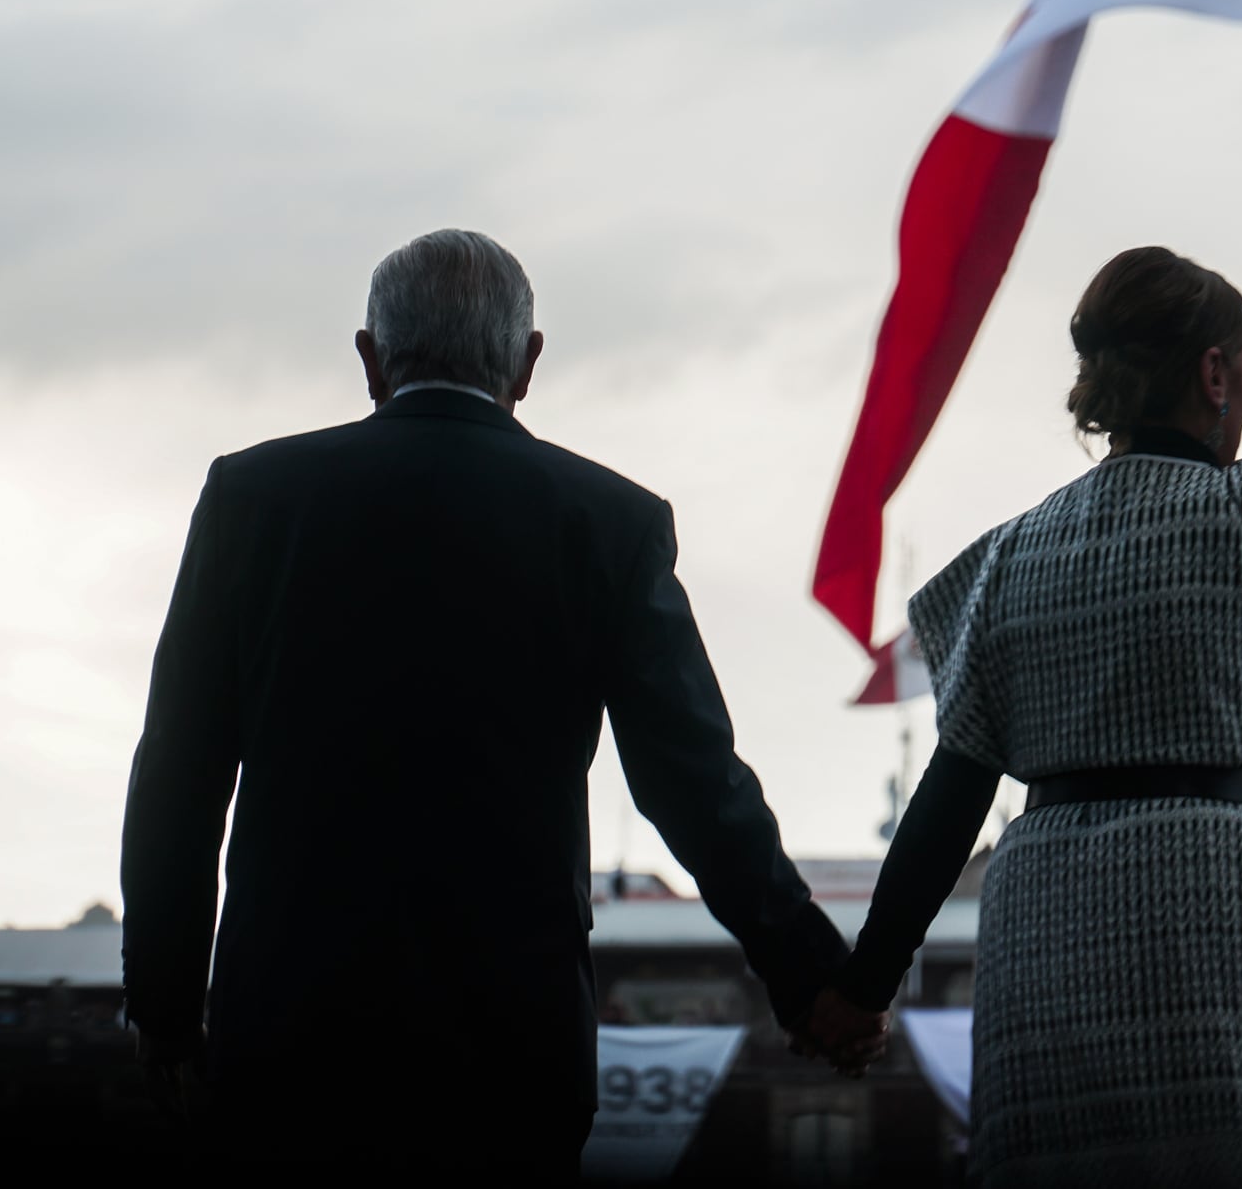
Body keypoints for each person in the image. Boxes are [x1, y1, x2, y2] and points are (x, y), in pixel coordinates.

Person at [802, 115, 1242, 1186]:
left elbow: (950, 799)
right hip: (1211, 892)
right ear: (1216, 375)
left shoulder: (1004, 562)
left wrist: (864, 989)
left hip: (1042, 910)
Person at [119, 229, 862, 1172]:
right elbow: (693, 784)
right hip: (512, 1041)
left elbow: (179, 773)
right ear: (529, 361)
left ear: (369, 357)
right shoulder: (609, 521)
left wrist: (169, 1008)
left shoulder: (252, 498)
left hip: (292, 1030)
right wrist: (809, 977)